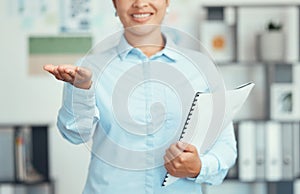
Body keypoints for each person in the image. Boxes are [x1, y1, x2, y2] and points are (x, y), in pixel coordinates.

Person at [43, 0, 237, 194]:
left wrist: (199, 167)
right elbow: (75, 135)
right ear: (115, 4)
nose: (140, 3)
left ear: (167, 2)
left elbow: (225, 146)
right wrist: (81, 89)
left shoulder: (202, 68)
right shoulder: (90, 68)